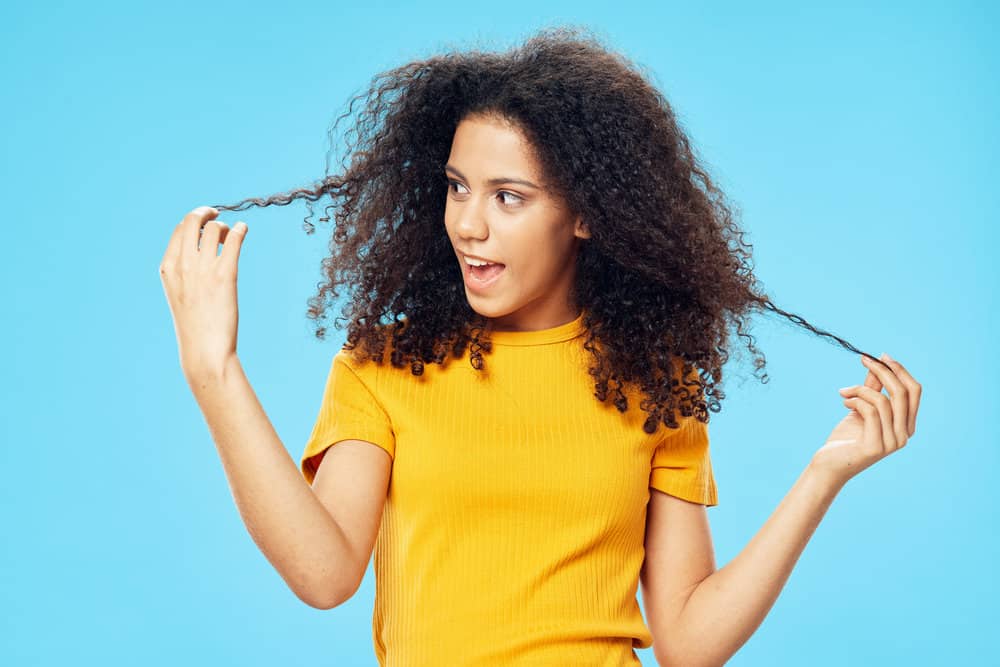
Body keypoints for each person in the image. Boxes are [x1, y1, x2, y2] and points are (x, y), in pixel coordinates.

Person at [159, 25, 923, 666]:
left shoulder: (654, 384)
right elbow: (325, 573)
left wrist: (826, 472)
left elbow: (687, 639)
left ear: (586, 214)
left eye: (507, 197)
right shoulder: (383, 367)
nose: (468, 224)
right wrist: (212, 370)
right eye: (458, 187)